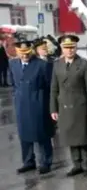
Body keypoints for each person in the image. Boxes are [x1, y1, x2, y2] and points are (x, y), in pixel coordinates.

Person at [50, 35, 87, 177]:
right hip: (64, 106)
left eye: (72, 48)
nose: (69, 50)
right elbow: (54, 88)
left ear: (76, 48)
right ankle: (76, 164)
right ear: (62, 49)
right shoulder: (57, 64)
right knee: (70, 137)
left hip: (81, 107)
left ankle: (86, 165)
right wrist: (53, 108)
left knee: (83, 137)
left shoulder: (84, 64)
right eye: (66, 48)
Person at [9, 40, 54, 175]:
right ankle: (28, 161)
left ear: (31, 51)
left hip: (38, 102)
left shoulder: (42, 65)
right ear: (17, 52)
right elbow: (13, 83)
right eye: (21, 53)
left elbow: (49, 86)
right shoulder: (13, 64)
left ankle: (45, 162)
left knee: (41, 132)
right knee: (24, 133)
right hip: (21, 103)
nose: (24, 56)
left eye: (27, 53)